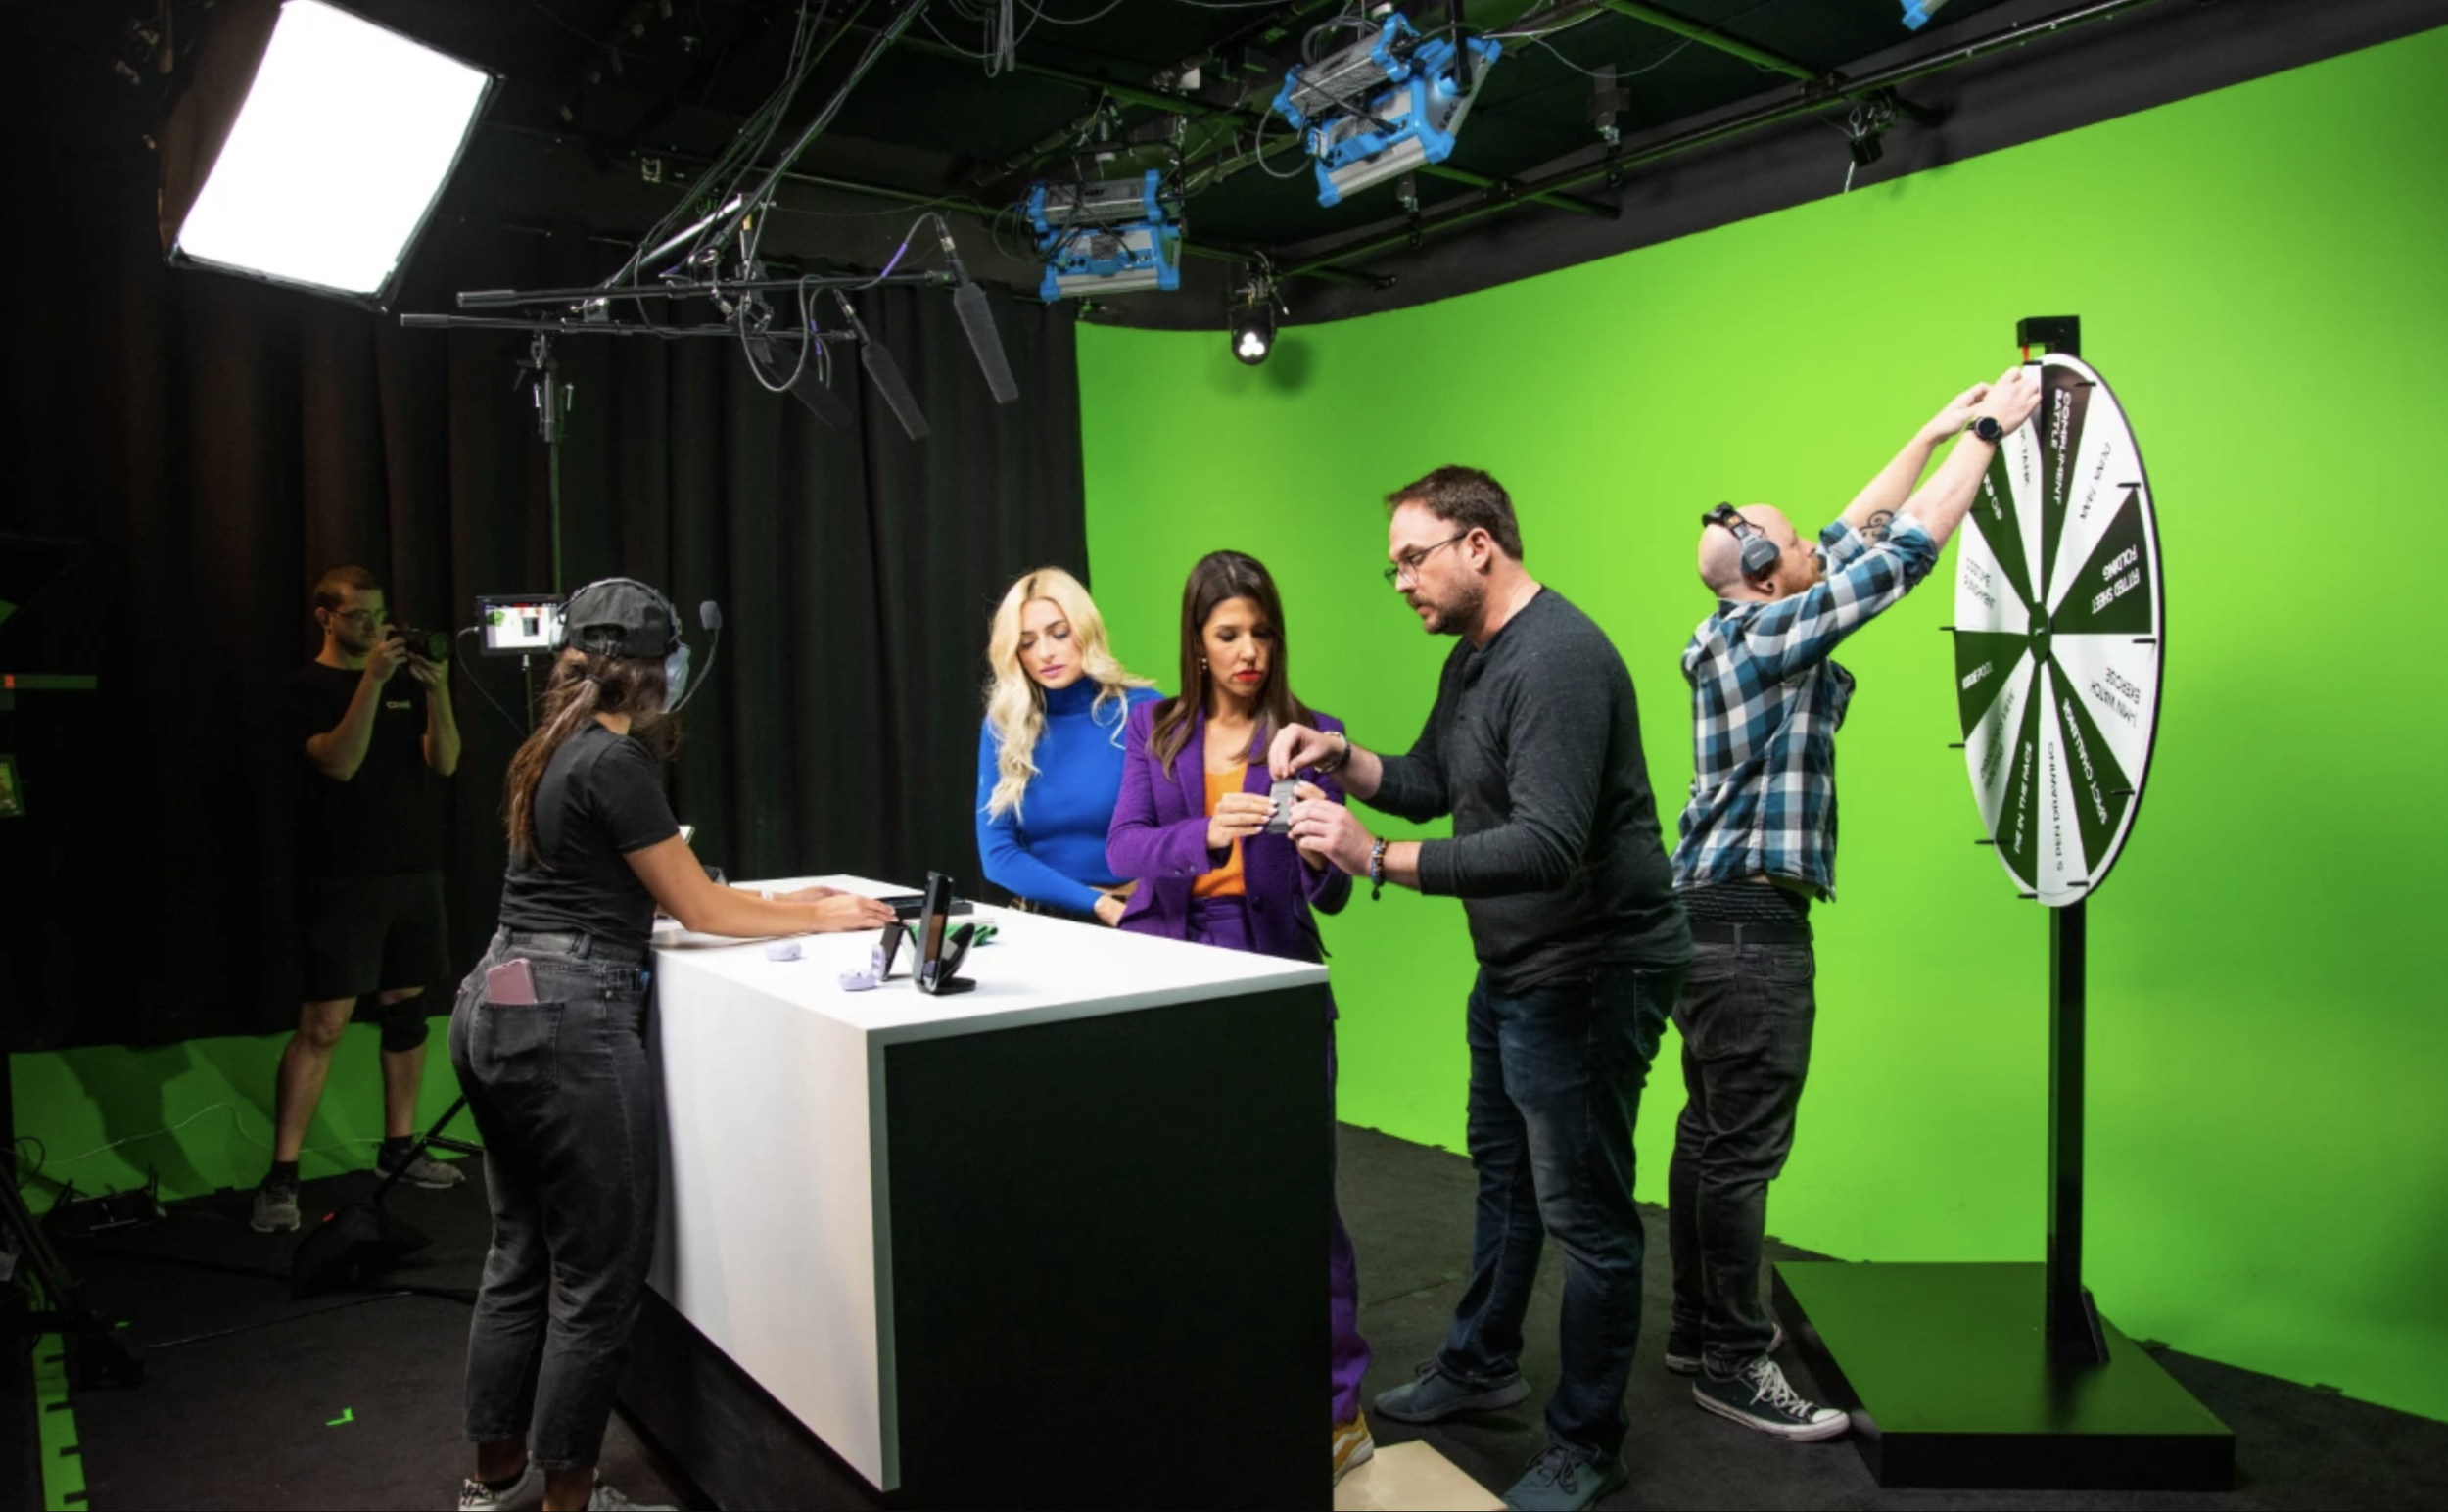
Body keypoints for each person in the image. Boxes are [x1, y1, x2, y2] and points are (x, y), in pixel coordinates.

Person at [1273, 468, 1691, 1512]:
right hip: (1514, 966)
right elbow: (1434, 778)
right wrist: (1346, 758)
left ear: (1477, 545)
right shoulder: (1473, 656)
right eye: (1393, 565)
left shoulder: (1557, 660)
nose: (1400, 580)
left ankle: (1587, 1439)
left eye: (1412, 557)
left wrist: (1375, 859)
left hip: (1592, 968)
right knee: (1504, 1178)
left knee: (1587, 1214)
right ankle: (1480, 1361)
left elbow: (1545, 844)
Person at [449, 578, 896, 1512]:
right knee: (595, 1277)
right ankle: (570, 1499)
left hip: (494, 996)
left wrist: (781, 907)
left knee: (516, 1253)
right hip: (570, 1021)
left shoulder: (548, 748)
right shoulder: (617, 765)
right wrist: (825, 914)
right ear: (653, 675)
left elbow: (651, 891)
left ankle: (491, 1484)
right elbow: (696, 905)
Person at [1663, 367, 2043, 1441]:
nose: (1815, 543)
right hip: (1748, 930)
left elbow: (1857, 524)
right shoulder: (1765, 639)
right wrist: (1984, 433)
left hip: (1712, 920)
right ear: (1757, 570)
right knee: (1740, 1149)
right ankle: (1732, 1363)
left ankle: (1699, 1328)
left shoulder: (1748, 622)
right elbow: (1902, 551)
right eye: (1792, 542)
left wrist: (1925, 431)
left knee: (1708, 1135)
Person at [1103, 550, 1372, 1486]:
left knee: (1301, 1193)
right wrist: (1207, 833)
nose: (1250, 651)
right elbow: (1124, 846)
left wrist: (1319, 846)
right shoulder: (1157, 730)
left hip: (1277, 974)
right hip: (1170, 970)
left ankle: (1340, 1408)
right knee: (1181, 1191)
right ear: (1198, 644)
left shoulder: (1314, 734)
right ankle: (1204, 1380)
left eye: (1261, 632)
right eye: (1229, 636)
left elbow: (1329, 897)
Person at [255, 565, 464, 1234]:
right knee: (324, 1025)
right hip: (344, 878)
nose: (374, 627)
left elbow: (446, 762)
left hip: (414, 871)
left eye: (379, 615)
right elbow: (338, 761)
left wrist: (439, 694)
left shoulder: (404, 680)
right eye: (358, 617)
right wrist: (372, 681)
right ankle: (281, 1176)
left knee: (408, 1014)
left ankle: (398, 1151)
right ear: (326, 618)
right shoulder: (305, 688)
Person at [975, 566, 1158, 924]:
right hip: (1043, 923)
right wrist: (1097, 904)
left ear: (1086, 631)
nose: (1045, 653)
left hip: (1139, 916)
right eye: (1027, 642)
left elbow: (1181, 832)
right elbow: (996, 854)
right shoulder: (1004, 725)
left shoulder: (1144, 712)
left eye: (1059, 634)